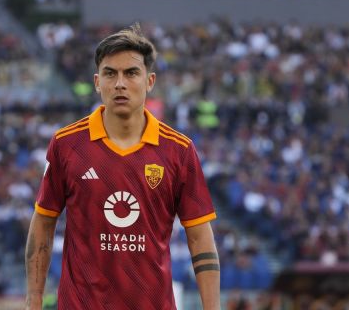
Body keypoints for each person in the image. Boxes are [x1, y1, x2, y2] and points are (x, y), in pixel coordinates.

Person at [25, 24, 220, 310]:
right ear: (96, 82)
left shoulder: (178, 150)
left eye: (130, 73)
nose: (119, 83)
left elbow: (200, 236)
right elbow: (43, 222)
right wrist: (33, 301)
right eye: (109, 73)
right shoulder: (67, 144)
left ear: (149, 81)